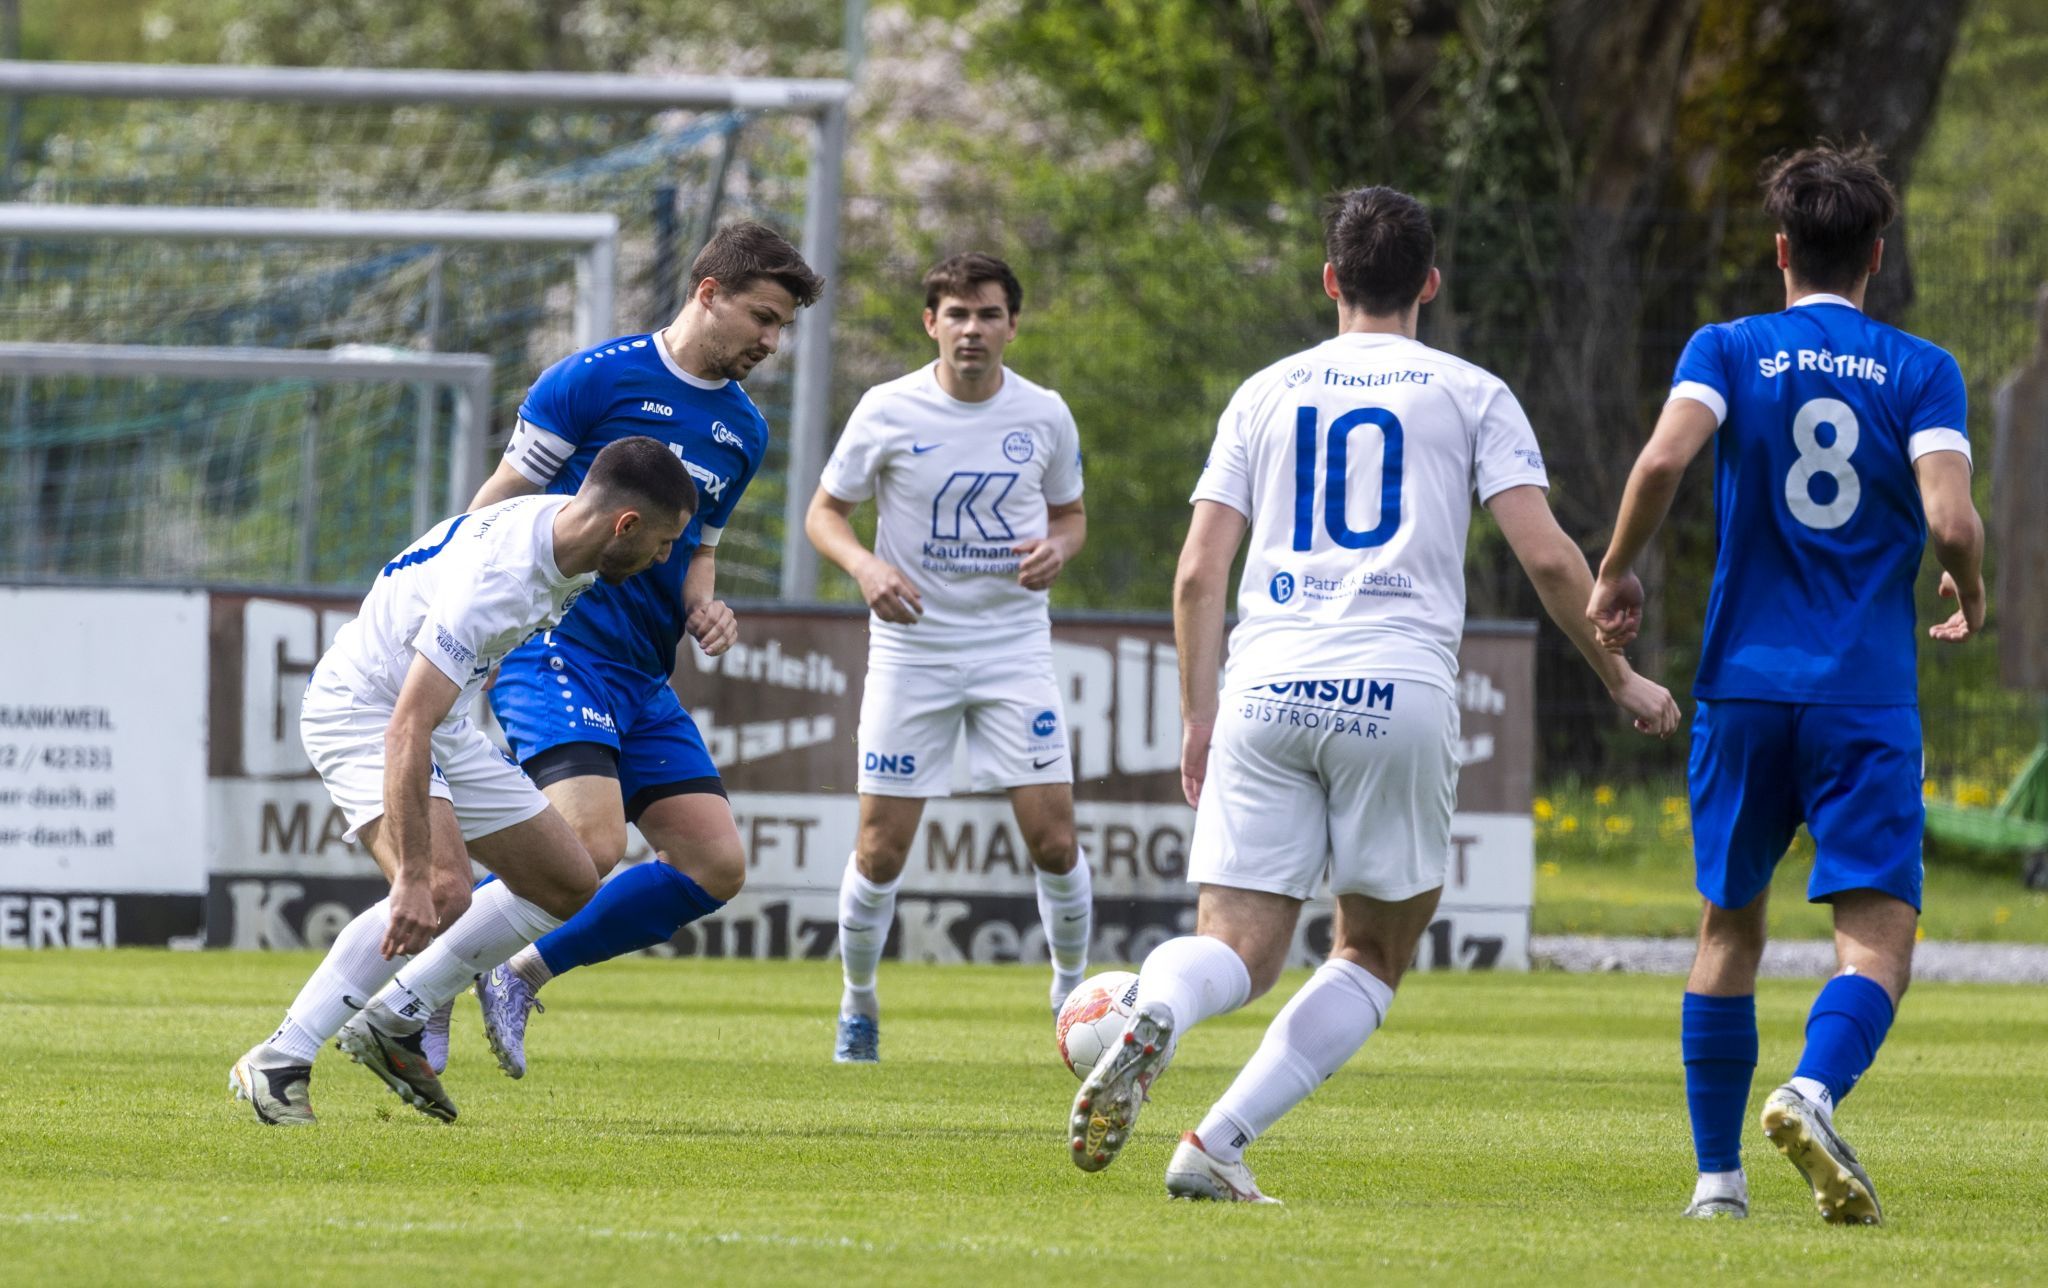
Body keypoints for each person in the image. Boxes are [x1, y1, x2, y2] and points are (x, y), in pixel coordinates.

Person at [1066, 186, 1679, 1201]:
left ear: (1327, 281)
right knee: (1370, 948)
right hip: (1392, 686)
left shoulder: (1261, 392)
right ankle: (1214, 1141)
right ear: (1428, 283)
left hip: (1265, 679)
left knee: (1235, 946)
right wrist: (1617, 672)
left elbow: (1193, 574)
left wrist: (1198, 714)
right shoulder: (1470, 392)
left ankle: (1159, 1000)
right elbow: (1547, 556)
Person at [1588, 142, 1983, 1225]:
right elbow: (1948, 518)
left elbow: (1664, 461)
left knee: (1727, 927)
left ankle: (1715, 1184)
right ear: (1875, 255)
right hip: (1860, 692)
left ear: (1778, 251)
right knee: (1876, 936)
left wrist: (1616, 565)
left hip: (1741, 689)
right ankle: (1809, 1089)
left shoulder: (1725, 346)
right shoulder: (1919, 368)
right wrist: (1967, 585)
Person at [228, 437, 696, 1125]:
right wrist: (413, 874)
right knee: (441, 889)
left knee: (570, 880)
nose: (664, 559)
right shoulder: (501, 578)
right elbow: (404, 727)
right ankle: (279, 1057)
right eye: (661, 543)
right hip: (366, 710)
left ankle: (397, 1016)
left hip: (434, 718)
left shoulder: (568, 540)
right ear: (625, 524)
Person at [458, 222, 823, 1079]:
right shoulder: (592, 379)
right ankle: (418, 973)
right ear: (708, 294)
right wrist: (455, 621)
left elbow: (699, 544)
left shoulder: (743, 431)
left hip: (641, 674)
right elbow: (496, 503)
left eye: (782, 327)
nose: (771, 342)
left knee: (714, 863)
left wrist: (705, 606)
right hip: (554, 644)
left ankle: (515, 970)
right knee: (591, 847)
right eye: (762, 318)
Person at [804, 252, 1091, 1062]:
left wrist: (1059, 550)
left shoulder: (1045, 414)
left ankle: (1071, 994)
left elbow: (1071, 517)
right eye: (957, 314)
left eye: (989, 314)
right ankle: (858, 1003)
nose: (973, 330)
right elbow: (825, 513)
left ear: (1011, 325)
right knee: (880, 849)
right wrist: (865, 567)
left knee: (1055, 840)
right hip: (913, 648)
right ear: (931, 323)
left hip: (1010, 647)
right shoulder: (887, 408)